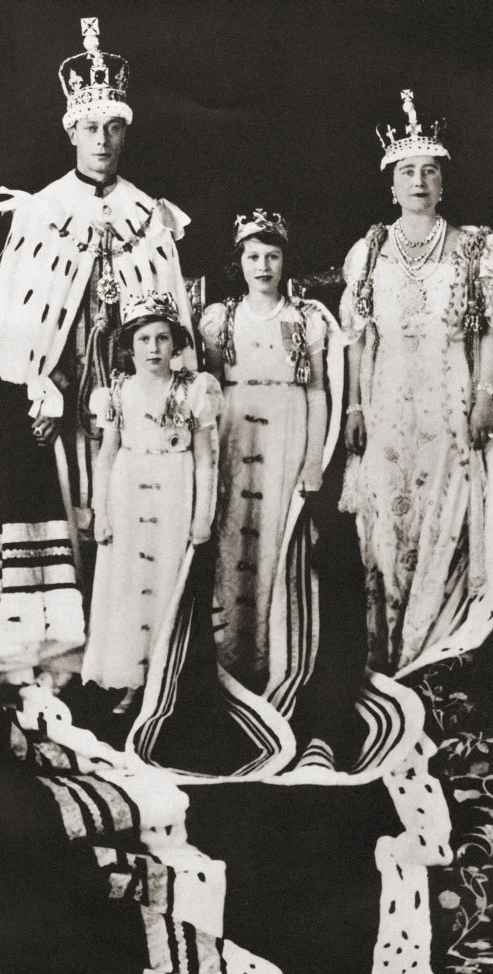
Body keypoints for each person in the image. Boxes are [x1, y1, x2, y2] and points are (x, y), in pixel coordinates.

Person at [0, 17, 197, 688]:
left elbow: (172, 323)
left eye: (114, 128)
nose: (102, 140)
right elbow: (15, 329)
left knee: (129, 516)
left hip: (131, 402)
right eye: (90, 129)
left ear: (126, 132)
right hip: (61, 394)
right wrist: (37, 382)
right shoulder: (40, 213)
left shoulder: (147, 216)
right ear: (71, 131)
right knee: (69, 512)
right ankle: (64, 659)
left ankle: (126, 661)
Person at [339, 90, 493, 678]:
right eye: (407, 171)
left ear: (442, 184)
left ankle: (433, 654)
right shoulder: (370, 250)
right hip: (386, 405)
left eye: (429, 171)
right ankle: (389, 652)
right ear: (391, 184)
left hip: (452, 404)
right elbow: (357, 335)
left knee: (446, 519)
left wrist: (486, 396)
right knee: (387, 522)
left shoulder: (477, 247)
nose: (418, 180)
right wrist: (353, 406)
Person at [199, 210, 340, 701]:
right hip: (236, 437)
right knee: (234, 541)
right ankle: (232, 660)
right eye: (253, 256)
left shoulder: (307, 319)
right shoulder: (221, 318)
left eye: (272, 256)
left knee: (279, 543)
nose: (263, 266)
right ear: (238, 262)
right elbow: (211, 389)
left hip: (286, 432)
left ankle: (278, 660)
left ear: (285, 262)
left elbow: (318, 391)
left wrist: (313, 460)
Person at [82, 292, 222, 714]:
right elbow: (105, 455)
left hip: (173, 491)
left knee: (167, 584)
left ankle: (166, 680)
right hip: (127, 491)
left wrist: (203, 518)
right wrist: (99, 512)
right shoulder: (117, 392)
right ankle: (131, 680)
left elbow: (205, 459)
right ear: (130, 345)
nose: (154, 349)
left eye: (163, 339)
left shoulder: (194, 389)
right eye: (144, 340)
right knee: (127, 587)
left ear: (175, 345)